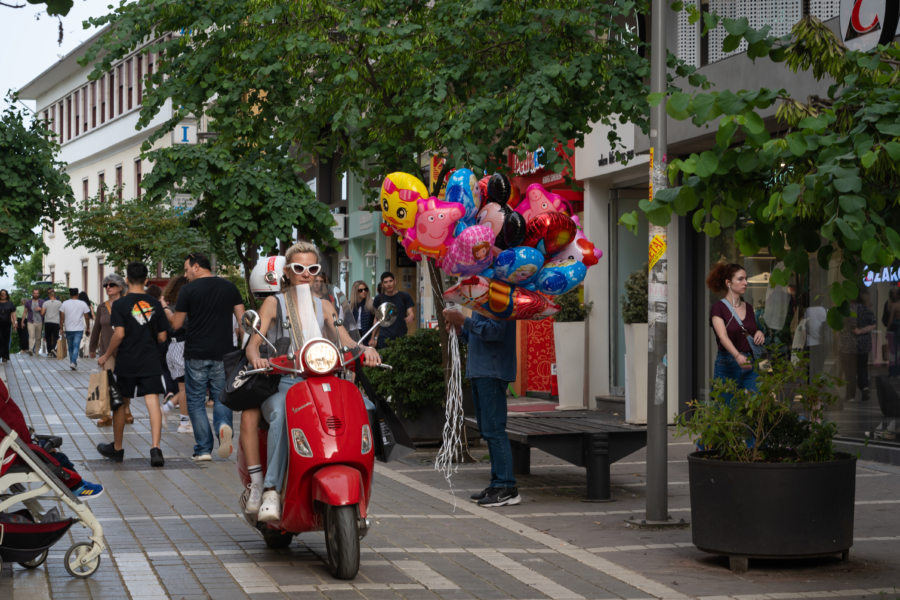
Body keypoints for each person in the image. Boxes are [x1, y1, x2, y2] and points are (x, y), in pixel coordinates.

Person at [241, 241, 382, 521]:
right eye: (299, 268)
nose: (306, 274)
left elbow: (347, 341)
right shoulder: (274, 302)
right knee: (281, 414)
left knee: (365, 407)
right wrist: (257, 357)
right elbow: (253, 344)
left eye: (313, 268)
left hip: (324, 380)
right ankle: (270, 488)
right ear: (288, 272)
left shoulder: (326, 305)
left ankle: (361, 488)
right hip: (287, 382)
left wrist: (365, 350)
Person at [168, 252, 245, 461]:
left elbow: (176, 324)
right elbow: (243, 322)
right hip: (224, 353)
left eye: (186, 269)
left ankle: (203, 449)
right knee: (222, 395)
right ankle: (223, 426)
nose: (185, 275)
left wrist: (168, 314)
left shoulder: (188, 290)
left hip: (196, 353)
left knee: (195, 400)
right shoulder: (229, 287)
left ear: (196, 266)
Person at [442, 307, 520, 507]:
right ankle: (497, 483)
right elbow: (478, 335)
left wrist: (464, 320)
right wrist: (462, 331)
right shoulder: (484, 299)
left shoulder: (500, 298)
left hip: (492, 371)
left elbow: (495, 332)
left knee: (494, 429)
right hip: (480, 370)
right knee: (488, 430)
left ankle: (506, 486)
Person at [96, 262, 168, 467]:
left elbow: (119, 334)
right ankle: (156, 449)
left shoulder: (120, 305)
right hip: (150, 359)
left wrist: (106, 354)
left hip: (127, 359)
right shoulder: (154, 303)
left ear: (126, 280)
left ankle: (117, 448)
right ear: (146, 280)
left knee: (120, 404)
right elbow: (163, 335)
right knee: (152, 401)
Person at [706, 262, 765, 393]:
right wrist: (737, 356)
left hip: (750, 362)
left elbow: (753, 331)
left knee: (759, 404)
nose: (745, 283)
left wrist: (759, 333)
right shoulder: (718, 308)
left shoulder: (748, 308)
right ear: (728, 283)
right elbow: (722, 336)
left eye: (746, 279)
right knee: (726, 408)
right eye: (740, 279)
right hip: (727, 363)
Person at [89, 273, 132, 427]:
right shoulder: (102, 307)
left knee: (124, 381)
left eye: (111, 285)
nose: (108, 288)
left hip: (126, 349)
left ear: (120, 287)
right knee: (107, 382)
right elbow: (97, 328)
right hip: (106, 350)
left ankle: (126, 408)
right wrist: (92, 347)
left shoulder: (128, 304)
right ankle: (106, 414)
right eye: (106, 285)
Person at [160, 275, 192, 433]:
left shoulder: (168, 305)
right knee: (186, 387)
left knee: (184, 387)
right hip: (183, 346)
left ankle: (172, 410)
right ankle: (184, 421)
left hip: (171, 348)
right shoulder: (181, 308)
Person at [840, 288, 876, 402]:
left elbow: (840, 327)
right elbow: (873, 324)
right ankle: (864, 388)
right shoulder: (865, 309)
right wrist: (862, 331)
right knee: (862, 368)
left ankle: (850, 395)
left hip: (848, 345)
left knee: (850, 371)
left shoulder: (845, 310)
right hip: (863, 344)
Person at [373, 271, 415, 349]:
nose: (388, 284)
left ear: (395, 281)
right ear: (382, 284)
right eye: (385, 282)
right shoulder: (379, 298)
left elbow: (411, 312)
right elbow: (376, 319)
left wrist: (411, 316)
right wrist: (373, 338)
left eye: (390, 281)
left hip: (400, 337)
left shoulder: (404, 296)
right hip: (383, 338)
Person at [59, 288, 91, 371]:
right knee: (76, 345)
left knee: (70, 346)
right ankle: (73, 362)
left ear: (70, 295)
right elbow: (87, 317)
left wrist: (61, 328)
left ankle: (72, 362)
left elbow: (61, 317)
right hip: (79, 329)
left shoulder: (65, 303)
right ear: (77, 295)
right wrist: (88, 327)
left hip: (68, 328)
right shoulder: (82, 303)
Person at [41, 289, 62, 358]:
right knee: (56, 336)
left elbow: (42, 313)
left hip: (47, 322)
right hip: (56, 322)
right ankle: (53, 348)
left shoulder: (45, 303)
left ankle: (49, 352)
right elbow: (61, 313)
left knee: (48, 337)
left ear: (49, 295)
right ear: (54, 294)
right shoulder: (59, 303)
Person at [885, 288, 900, 377]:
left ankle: (893, 371)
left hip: (895, 328)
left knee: (894, 351)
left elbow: (890, 320)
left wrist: (888, 329)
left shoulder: (894, 305)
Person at [25, 289, 44, 356]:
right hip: (31, 321)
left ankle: (37, 351)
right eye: (34, 293)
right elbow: (25, 312)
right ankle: (30, 349)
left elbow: (45, 311)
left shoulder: (42, 302)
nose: (35, 294)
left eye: (37, 293)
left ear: (38, 294)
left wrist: (40, 309)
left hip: (39, 321)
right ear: (32, 294)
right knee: (31, 335)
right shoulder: (28, 302)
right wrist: (22, 321)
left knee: (38, 337)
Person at [0, 290, 14, 363]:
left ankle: (5, 356)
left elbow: (13, 313)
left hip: (7, 325)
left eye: (4, 294)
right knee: (0, 339)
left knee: (6, 340)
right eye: (1, 294)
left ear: (6, 295)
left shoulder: (10, 303)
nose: (3, 295)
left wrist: (15, 323)